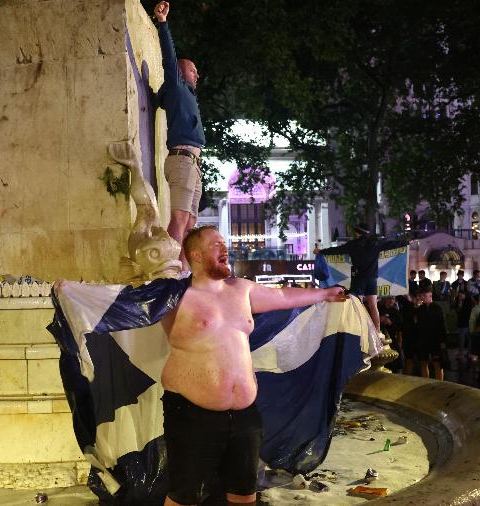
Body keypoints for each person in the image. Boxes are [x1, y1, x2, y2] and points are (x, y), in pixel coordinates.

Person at [161, 225, 347, 506]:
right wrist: (73, 295)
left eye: (224, 243)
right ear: (195, 255)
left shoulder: (241, 289)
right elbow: (119, 305)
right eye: (215, 245)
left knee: (245, 493)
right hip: (191, 415)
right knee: (184, 496)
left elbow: (283, 297)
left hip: (245, 417)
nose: (225, 248)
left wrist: (325, 294)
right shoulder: (173, 297)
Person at [153, 1, 205, 271]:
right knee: (180, 217)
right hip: (182, 158)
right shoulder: (176, 85)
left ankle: (185, 273)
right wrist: (163, 23)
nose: (198, 74)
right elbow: (168, 57)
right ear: (182, 72)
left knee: (191, 223)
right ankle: (171, 271)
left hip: (193, 163)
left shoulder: (189, 97)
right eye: (193, 69)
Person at [314, 225, 406, 331]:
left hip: (358, 279)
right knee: (373, 306)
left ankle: (359, 330)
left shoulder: (353, 244)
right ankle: (377, 331)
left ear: (358, 233)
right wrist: (406, 242)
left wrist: (321, 251)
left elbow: (337, 250)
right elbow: (392, 244)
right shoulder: (375, 243)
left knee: (358, 305)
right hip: (372, 280)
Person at [414, 286, 447, 380]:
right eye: (421, 295)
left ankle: (440, 386)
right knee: (423, 363)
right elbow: (416, 324)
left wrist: (443, 341)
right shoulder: (420, 309)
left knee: (438, 364)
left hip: (435, 340)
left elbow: (442, 325)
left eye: (425, 295)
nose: (422, 297)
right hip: (423, 340)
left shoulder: (437, 308)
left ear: (430, 295)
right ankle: (426, 385)